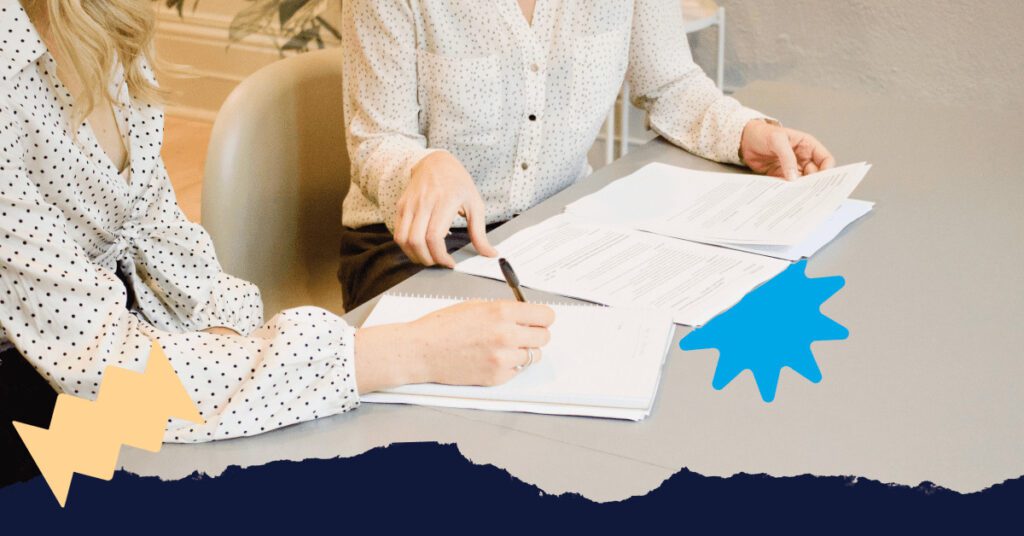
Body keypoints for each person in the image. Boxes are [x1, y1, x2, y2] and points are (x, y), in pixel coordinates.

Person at [0, 0, 554, 486]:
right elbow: (103, 365)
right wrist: (405, 353)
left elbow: (162, 241)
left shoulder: (102, 25)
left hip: (114, 355)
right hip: (34, 401)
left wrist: (226, 347)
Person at [338, 0, 837, 310]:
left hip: (556, 230)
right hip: (411, 246)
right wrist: (422, 167)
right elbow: (377, 141)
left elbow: (670, 84)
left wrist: (745, 131)